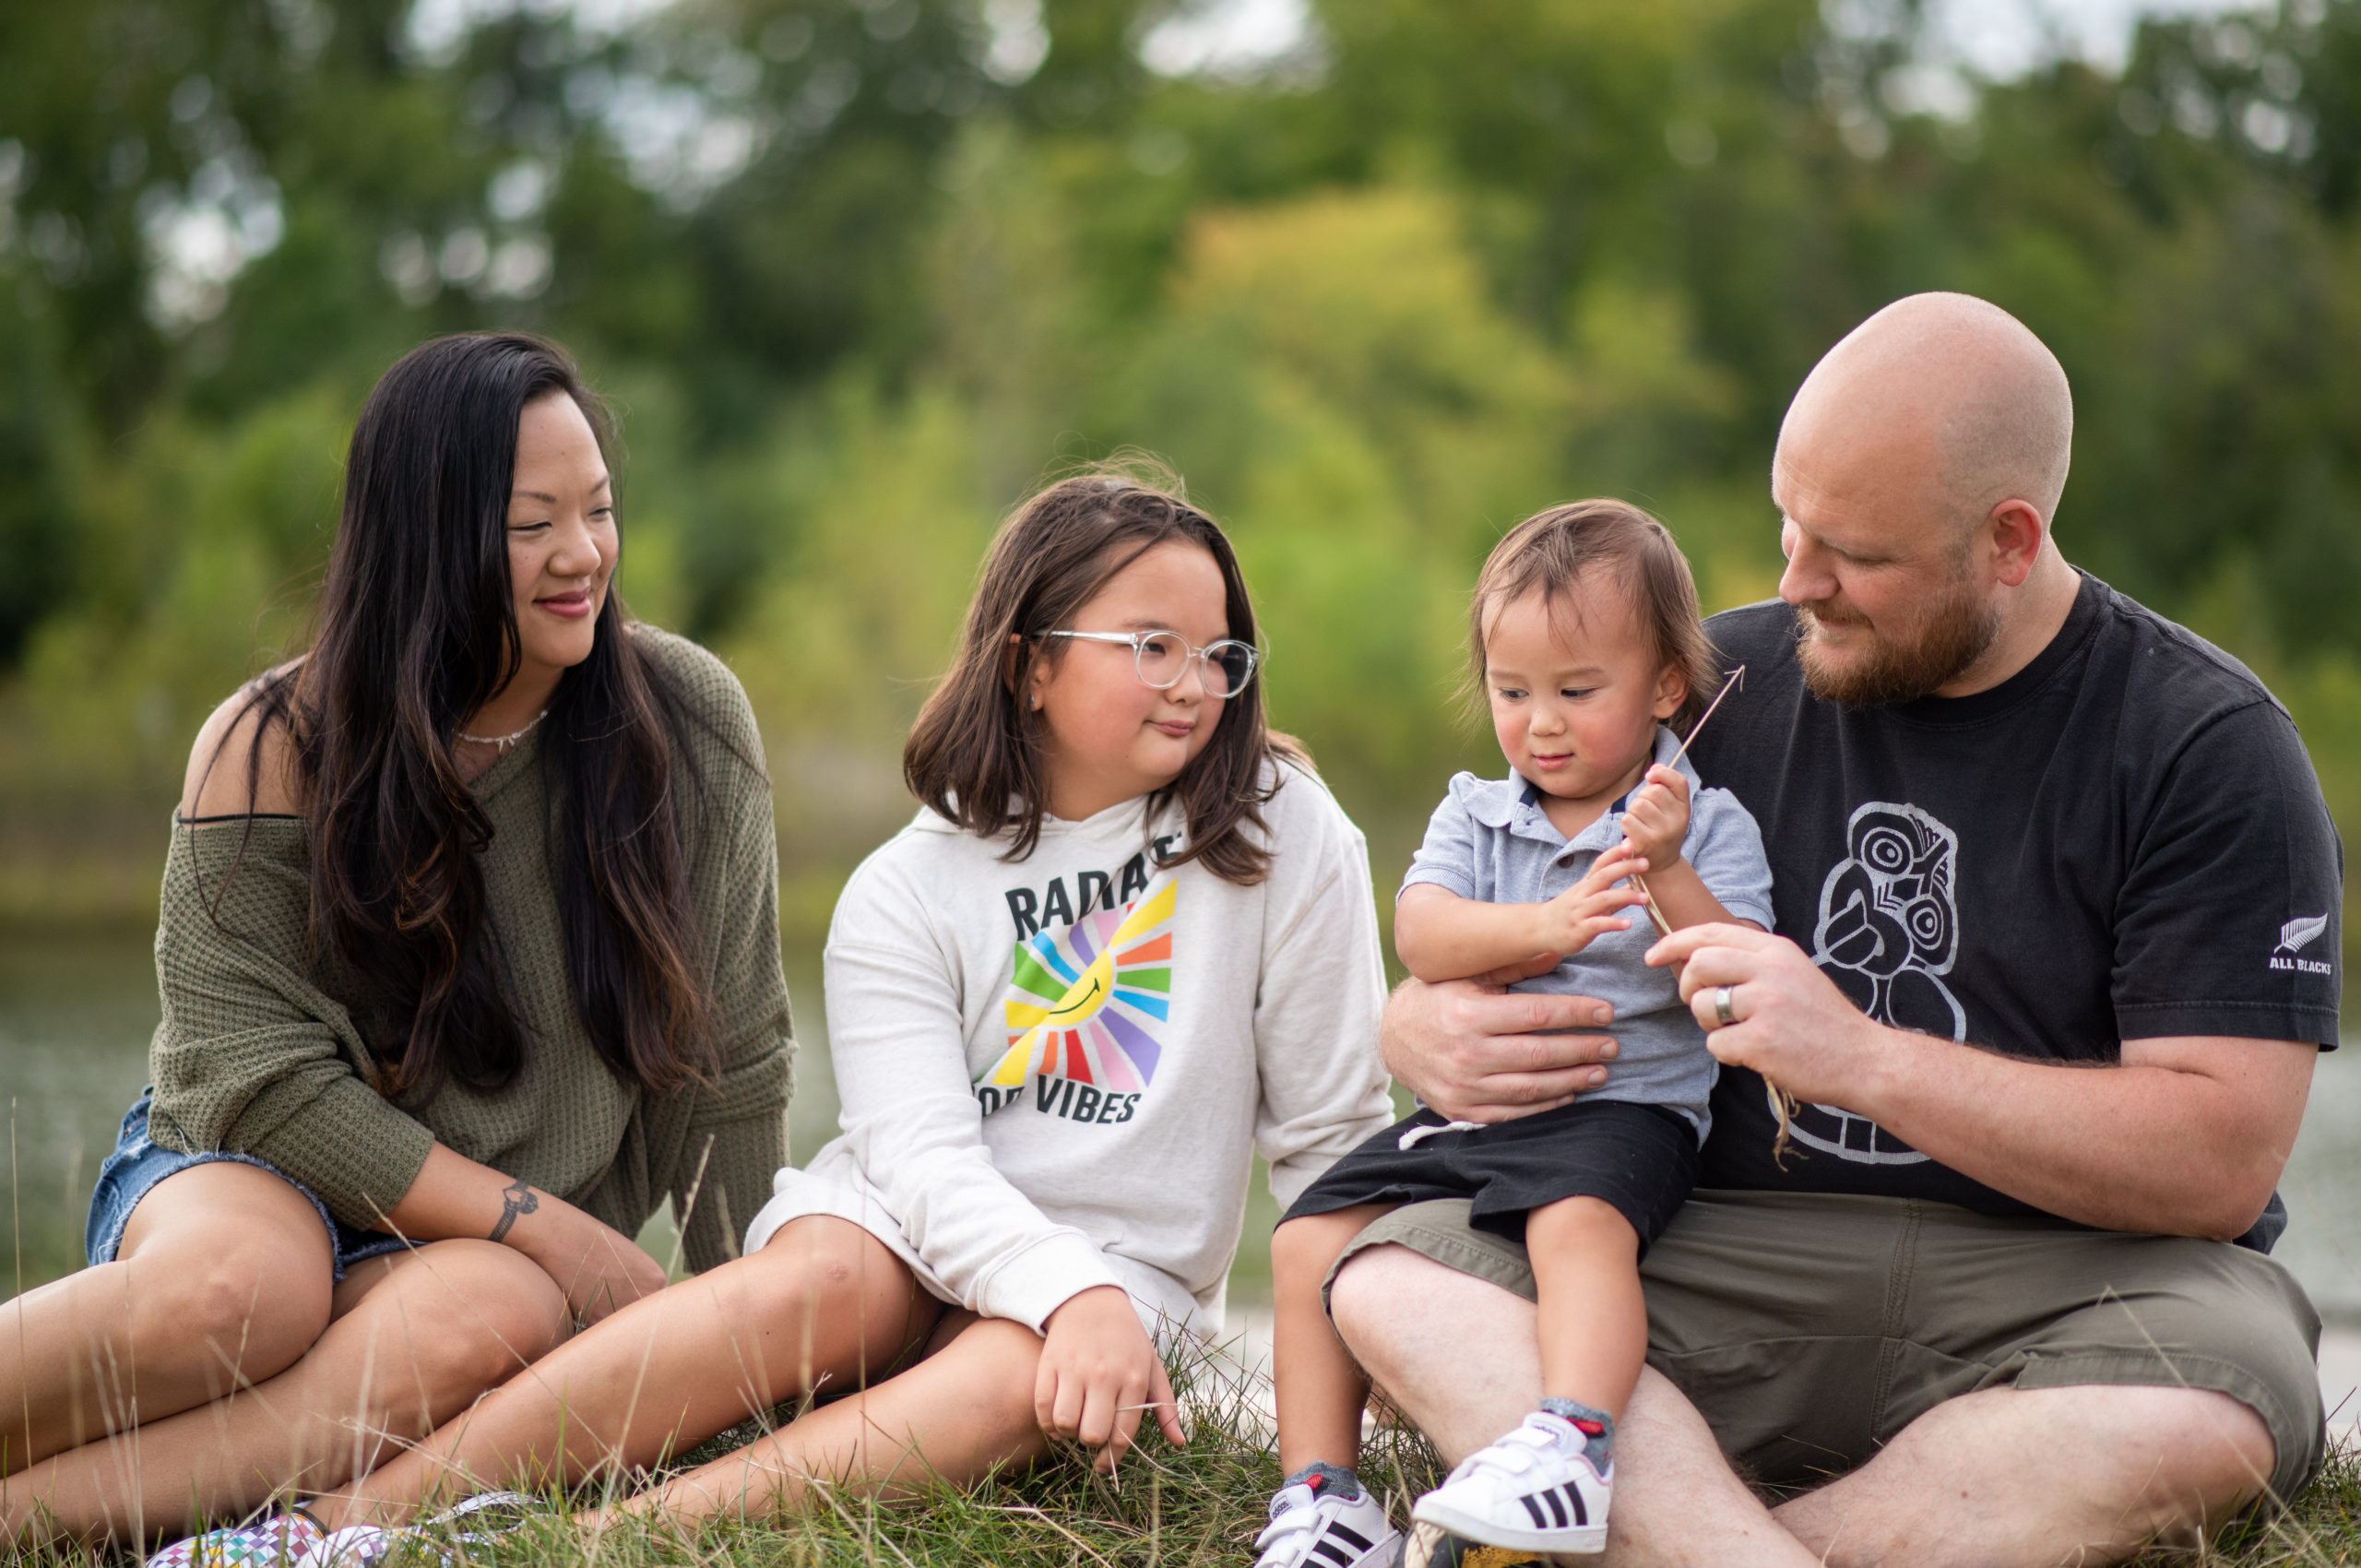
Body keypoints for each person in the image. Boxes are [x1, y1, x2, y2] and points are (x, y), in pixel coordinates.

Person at [1327, 291, 2338, 1568]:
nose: (1796, 580)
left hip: (2068, 1280)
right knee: (1389, 1277)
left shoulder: (2206, 745)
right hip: (1717, 1250)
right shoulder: (1708, 691)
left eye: (1851, 553)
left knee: (2216, 1408)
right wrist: (1418, 1024)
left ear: (2009, 541)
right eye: (1788, 523)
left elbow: (2220, 1162)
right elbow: (1494, 899)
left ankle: (1684, 1535)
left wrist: (1858, 1056)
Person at [267, 467, 1395, 1549]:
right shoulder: (906, 889)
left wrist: (1373, 1329)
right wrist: (1063, 1281)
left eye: (1220, 653)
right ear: (1028, 664)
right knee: (829, 1283)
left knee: (1018, 1374)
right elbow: (920, 1160)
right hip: (904, 1230)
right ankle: (345, 1521)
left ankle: (593, 1539)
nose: (1196, 681)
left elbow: (1328, 1133)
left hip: (1125, 1271)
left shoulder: (1276, 832)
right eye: (1152, 646)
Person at [0, 333, 794, 1551]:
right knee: (247, 1295)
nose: (583, 555)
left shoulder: (687, 729)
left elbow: (732, 1067)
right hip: (255, 1176)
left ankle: (38, 1525)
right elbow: (245, 1068)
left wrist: (754, 1359)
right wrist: (539, 1220)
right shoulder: (274, 740)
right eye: (534, 524)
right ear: (432, 533)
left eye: (599, 510)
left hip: (482, 1266)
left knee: (493, 1311)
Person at [1258, 502, 1773, 1567]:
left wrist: (1666, 870)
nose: (1540, 722)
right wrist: (1541, 927)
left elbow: (1735, 973)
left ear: (1664, 687)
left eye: (1577, 691)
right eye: (1511, 691)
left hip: (1621, 1110)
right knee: (1308, 1237)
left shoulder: (1703, 821)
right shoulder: (1475, 811)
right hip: (1476, 1108)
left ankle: (1571, 1442)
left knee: (1576, 1225)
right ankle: (1322, 1497)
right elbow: (1423, 929)